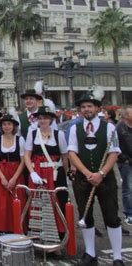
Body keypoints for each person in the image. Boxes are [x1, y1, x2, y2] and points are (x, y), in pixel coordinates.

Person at [68, 92, 124, 266]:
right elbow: (71, 153)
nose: (86, 109)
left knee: (112, 217)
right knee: (86, 216)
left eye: (90, 106)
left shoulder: (109, 128)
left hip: (106, 179)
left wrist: (101, 174)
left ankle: (117, 257)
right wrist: (86, 173)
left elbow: (114, 152)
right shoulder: (74, 129)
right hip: (83, 180)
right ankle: (90, 253)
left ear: (98, 108)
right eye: (83, 107)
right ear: (80, 110)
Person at [24, 105, 69, 238]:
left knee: (57, 204)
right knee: (38, 204)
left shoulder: (59, 134)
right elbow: (27, 155)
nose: (43, 121)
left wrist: (62, 173)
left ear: (51, 120)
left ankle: (58, 238)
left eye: (46, 118)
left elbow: (65, 156)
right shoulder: (32, 134)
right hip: (38, 174)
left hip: (54, 175)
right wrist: (32, 173)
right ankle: (38, 237)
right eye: (41, 118)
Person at [0, 114, 25, 233]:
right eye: (4, 124)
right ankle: (1, 230)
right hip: (1, 173)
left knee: (16, 201)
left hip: (16, 173)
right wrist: (2, 177)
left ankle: (17, 228)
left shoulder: (20, 140)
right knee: (0, 203)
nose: (7, 126)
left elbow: (23, 161)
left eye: (9, 124)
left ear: (14, 126)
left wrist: (14, 178)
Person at [116, 106, 132, 225]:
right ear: (126, 115)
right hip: (126, 163)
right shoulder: (119, 128)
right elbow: (116, 147)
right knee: (128, 188)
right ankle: (129, 213)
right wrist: (124, 159)